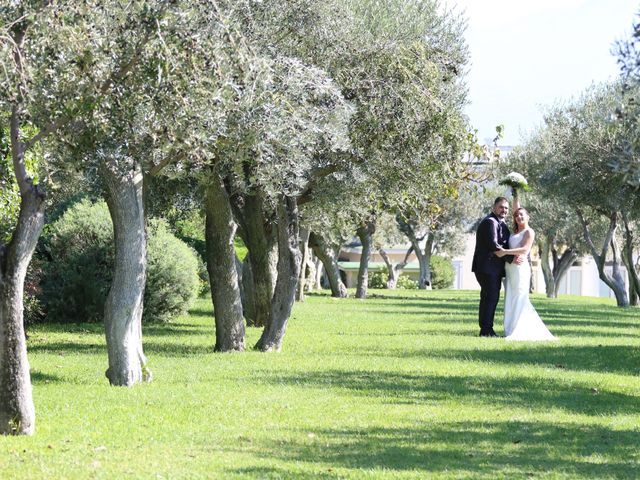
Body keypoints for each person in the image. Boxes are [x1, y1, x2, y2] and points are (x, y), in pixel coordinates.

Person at [494, 195, 556, 341]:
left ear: (528, 217)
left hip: (520, 269)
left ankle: (518, 329)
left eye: (522, 215)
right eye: (516, 216)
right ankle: (510, 329)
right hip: (510, 269)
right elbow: (516, 209)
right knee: (511, 296)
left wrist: (505, 252)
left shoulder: (529, 232)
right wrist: (515, 194)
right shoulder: (515, 232)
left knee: (519, 297)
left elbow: (524, 249)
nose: (518, 217)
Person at [472, 197, 521, 337]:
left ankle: (485, 329)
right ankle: (486, 330)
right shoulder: (490, 222)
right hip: (487, 268)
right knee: (490, 298)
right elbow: (494, 245)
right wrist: (511, 258)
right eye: (501, 207)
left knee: (489, 298)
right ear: (494, 207)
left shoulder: (499, 222)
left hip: (492, 268)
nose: (504, 210)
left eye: (506, 208)